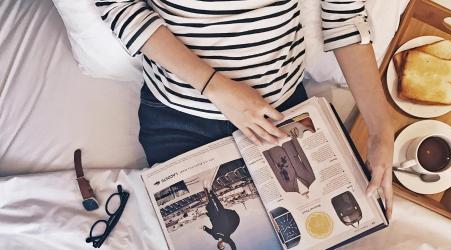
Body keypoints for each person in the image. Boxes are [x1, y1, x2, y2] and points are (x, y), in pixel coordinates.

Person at [95, 0, 394, 219]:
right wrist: (214, 86)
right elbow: (118, 6)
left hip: (280, 111)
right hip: (179, 115)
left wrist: (381, 130)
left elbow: (344, 16)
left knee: (319, 236)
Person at [201, 186, 241, 250]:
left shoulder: (215, 237)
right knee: (218, 204)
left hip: (215, 218)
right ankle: (211, 191)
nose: (223, 245)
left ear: (218, 245)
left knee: (210, 204)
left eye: (221, 246)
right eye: (223, 246)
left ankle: (206, 191)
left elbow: (210, 231)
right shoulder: (226, 238)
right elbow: (232, 244)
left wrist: (204, 228)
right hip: (223, 216)